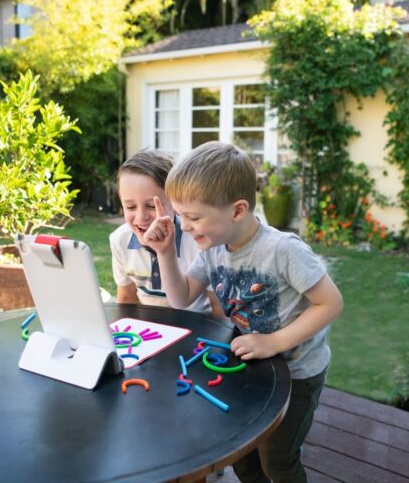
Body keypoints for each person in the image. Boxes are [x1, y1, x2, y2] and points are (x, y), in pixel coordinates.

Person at [144, 141, 344, 482]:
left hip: (297, 374)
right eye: (181, 217)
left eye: (193, 217)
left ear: (237, 210)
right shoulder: (212, 249)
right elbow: (182, 298)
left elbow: (331, 303)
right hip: (253, 370)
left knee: (278, 462)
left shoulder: (282, 250)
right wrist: (164, 253)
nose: (185, 227)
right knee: (244, 459)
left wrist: (274, 342)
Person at [109, 149, 219, 315]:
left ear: (175, 204)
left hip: (197, 326)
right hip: (151, 329)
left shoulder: (200, 241)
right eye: (130, 207)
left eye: (152, 206)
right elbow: (126, 299)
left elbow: (218, 308)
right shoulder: (119, 240)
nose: (141, 217)